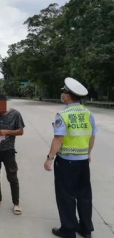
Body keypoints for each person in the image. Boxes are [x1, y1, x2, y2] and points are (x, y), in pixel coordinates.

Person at [44, 77, 96, 238]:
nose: (61, 94)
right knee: (84, 195)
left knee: (66, 196)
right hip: (82, 162)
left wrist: (50, 158)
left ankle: (68, 229)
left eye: (63, 92)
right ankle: (85, 229)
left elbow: (58, 138)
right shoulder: (88, 113)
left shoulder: (63, 114)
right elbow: (92, 136)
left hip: (66, 161)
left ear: (67, 96)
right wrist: (87, 154)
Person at [0, 94, 25, 215]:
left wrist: (7, 132)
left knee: (12, 177)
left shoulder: (15, 114)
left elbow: (21, 131)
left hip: (8, 151)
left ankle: (16, 203)